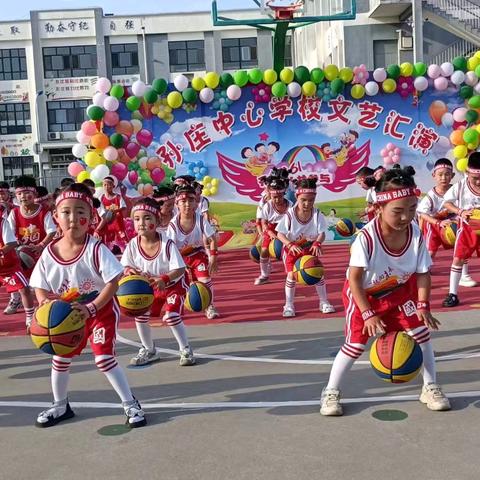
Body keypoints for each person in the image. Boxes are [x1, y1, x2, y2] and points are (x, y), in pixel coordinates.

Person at [320, 165, 450, 416]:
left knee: (421, 334)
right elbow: (355, 281)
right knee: (355, 346)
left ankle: (430, 386)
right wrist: (368, 314)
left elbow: (423, 272)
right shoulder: (366, 238)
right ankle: (331, 391)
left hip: (400, 292)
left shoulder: (415, 233)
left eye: (412, 209)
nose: (406, 217)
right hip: (364, 296)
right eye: (398, 211)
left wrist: (423, 305)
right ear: (379, 208)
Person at [29, 183, 146, 428]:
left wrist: (92, 308)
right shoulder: (49, 253)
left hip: (99, 312)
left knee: (104, 359)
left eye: (81, 212)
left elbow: (113, 281)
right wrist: (44, 302)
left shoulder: (95, 249)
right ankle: (60, 405)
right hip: (67, 316)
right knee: (59, 358)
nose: (74, 218)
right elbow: (38, 285)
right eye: (67, 212)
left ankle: (130, 404)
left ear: (91, 218)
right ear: (55, 217)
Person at [121, 198, 195, 366]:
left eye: (147, 218)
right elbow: (125, 265)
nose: (141, 223)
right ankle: (149, 349)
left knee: (171, 316)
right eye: (137, 219)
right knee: (140, 315)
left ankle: (185, 349)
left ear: (158, 220)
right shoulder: (133, 244)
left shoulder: (167, 244)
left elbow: (180, 269)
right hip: (149, 288)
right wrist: (128, 271)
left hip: (173, 285)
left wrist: (164, 278)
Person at [276, 176, 335, 316]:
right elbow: (280, 234)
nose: (307, 203)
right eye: (303, 200)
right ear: (297, 196)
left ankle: (324, 302)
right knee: (291, 276)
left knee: (318, 273)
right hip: (292, 250)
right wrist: (289, 245)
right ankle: (288, 305)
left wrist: (317, 243)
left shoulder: (317, 214)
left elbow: (322, 233)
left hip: (309, 249)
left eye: (311, 200)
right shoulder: (290, 215)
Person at [6, 176, 56, 320]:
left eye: (26, 193)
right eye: (19, 193)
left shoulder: (44, 211)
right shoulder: (14, 213)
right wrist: (17, 247)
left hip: (39, 254)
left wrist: (41, 246)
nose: (23, 196)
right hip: (20, 253)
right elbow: (9, 233)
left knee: (40, 287)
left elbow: (51, 231)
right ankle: (17, 301)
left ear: (34, 194)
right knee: (18, 281)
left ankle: (44, 313)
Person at [167, 184, 220, 320]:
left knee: (205, 279)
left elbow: (212, 239)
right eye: (183, 201)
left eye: (191, 201)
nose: (187, 205)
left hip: (197, 255)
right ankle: (174, 309)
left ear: (196, 202)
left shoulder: (200, 219)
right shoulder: (173, 225)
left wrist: (213, 258)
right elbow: (170, 249)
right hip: (179, 258)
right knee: (178, 285)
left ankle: (210, 306)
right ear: (177, 204)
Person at [442, 152, 480, 307]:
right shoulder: (460, 186)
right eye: (475, 178)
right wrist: (460, 211)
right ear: (467, 173)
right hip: (467, 229)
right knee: (458, 259)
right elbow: (447, 203)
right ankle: (453, 294)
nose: (478, 182)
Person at [255, 173, 291, 285]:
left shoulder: (290, 205)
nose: (277, 200)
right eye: (274, 197)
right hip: (271, 229)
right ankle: (264, 275)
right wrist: (270, 233)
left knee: (291, 250)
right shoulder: (267, 206)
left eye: (279, 197)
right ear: (270, 195)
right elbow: (263, 222)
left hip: (285, 229)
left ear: (284, 194)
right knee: (264, 251)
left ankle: (293, 272)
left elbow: (292, 221)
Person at [95, 176, 128, 253]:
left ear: (113, 186)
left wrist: (115, 211)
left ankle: (125, 253)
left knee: (122, 241)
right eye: (105, 185)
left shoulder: (118, 197)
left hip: (118, 223)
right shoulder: (101, 198)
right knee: (108, 243)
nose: (107, 187)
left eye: (109, 184)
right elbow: (101, 213)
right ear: (103, 186)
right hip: (107, 224)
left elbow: (124, 207)